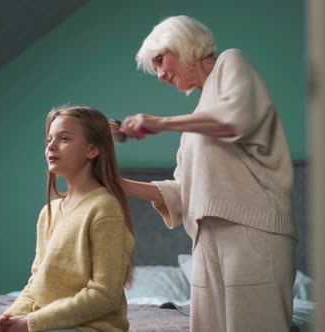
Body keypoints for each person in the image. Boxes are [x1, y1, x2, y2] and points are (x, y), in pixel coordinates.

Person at [117, 15, 298, 332]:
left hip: (253, 233)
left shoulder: (231, 62)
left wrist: (161, 123)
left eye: (161, 60)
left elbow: (235, 119)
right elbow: (180, 190)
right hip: (205, 241)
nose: (159, 75)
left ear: (183, 44)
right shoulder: (194, 125)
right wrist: (116, 183)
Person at [0, 106, 135, 332]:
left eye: (64, 138)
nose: (50, 145)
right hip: (51, 323)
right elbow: (37, 282)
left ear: (91, 150)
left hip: (89, 327)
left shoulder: (104, 208)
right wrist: (11, 317)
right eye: (49, 139)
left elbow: (104, 295)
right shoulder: (48, 212)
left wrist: (31, 323)